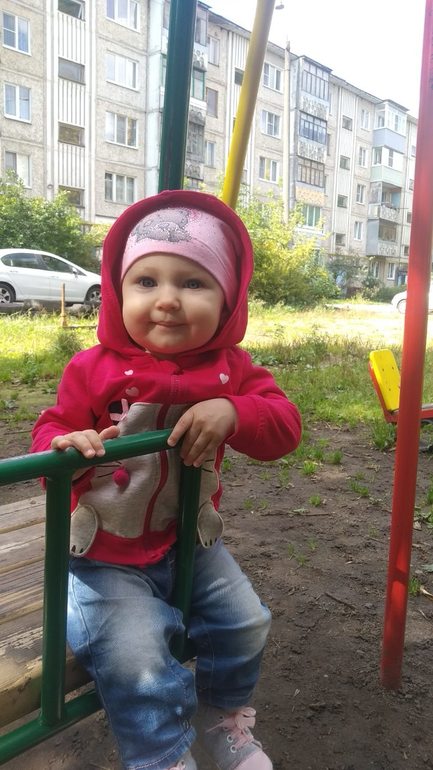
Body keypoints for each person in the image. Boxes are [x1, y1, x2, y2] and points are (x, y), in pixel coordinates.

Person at [31, 189, 302, 770]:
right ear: (118, 292)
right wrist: (63, 448)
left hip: (190, 545)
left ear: (228, 299)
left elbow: (284, 427)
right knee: (137, 657)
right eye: (146, 281)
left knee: (247, 621)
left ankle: (220, 717)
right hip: (103, 553)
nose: (168, 300)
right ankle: (162, 757)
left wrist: (236, 409)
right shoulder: (93, 368)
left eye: (194, 282)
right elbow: (52, 429)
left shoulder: (232, 370)